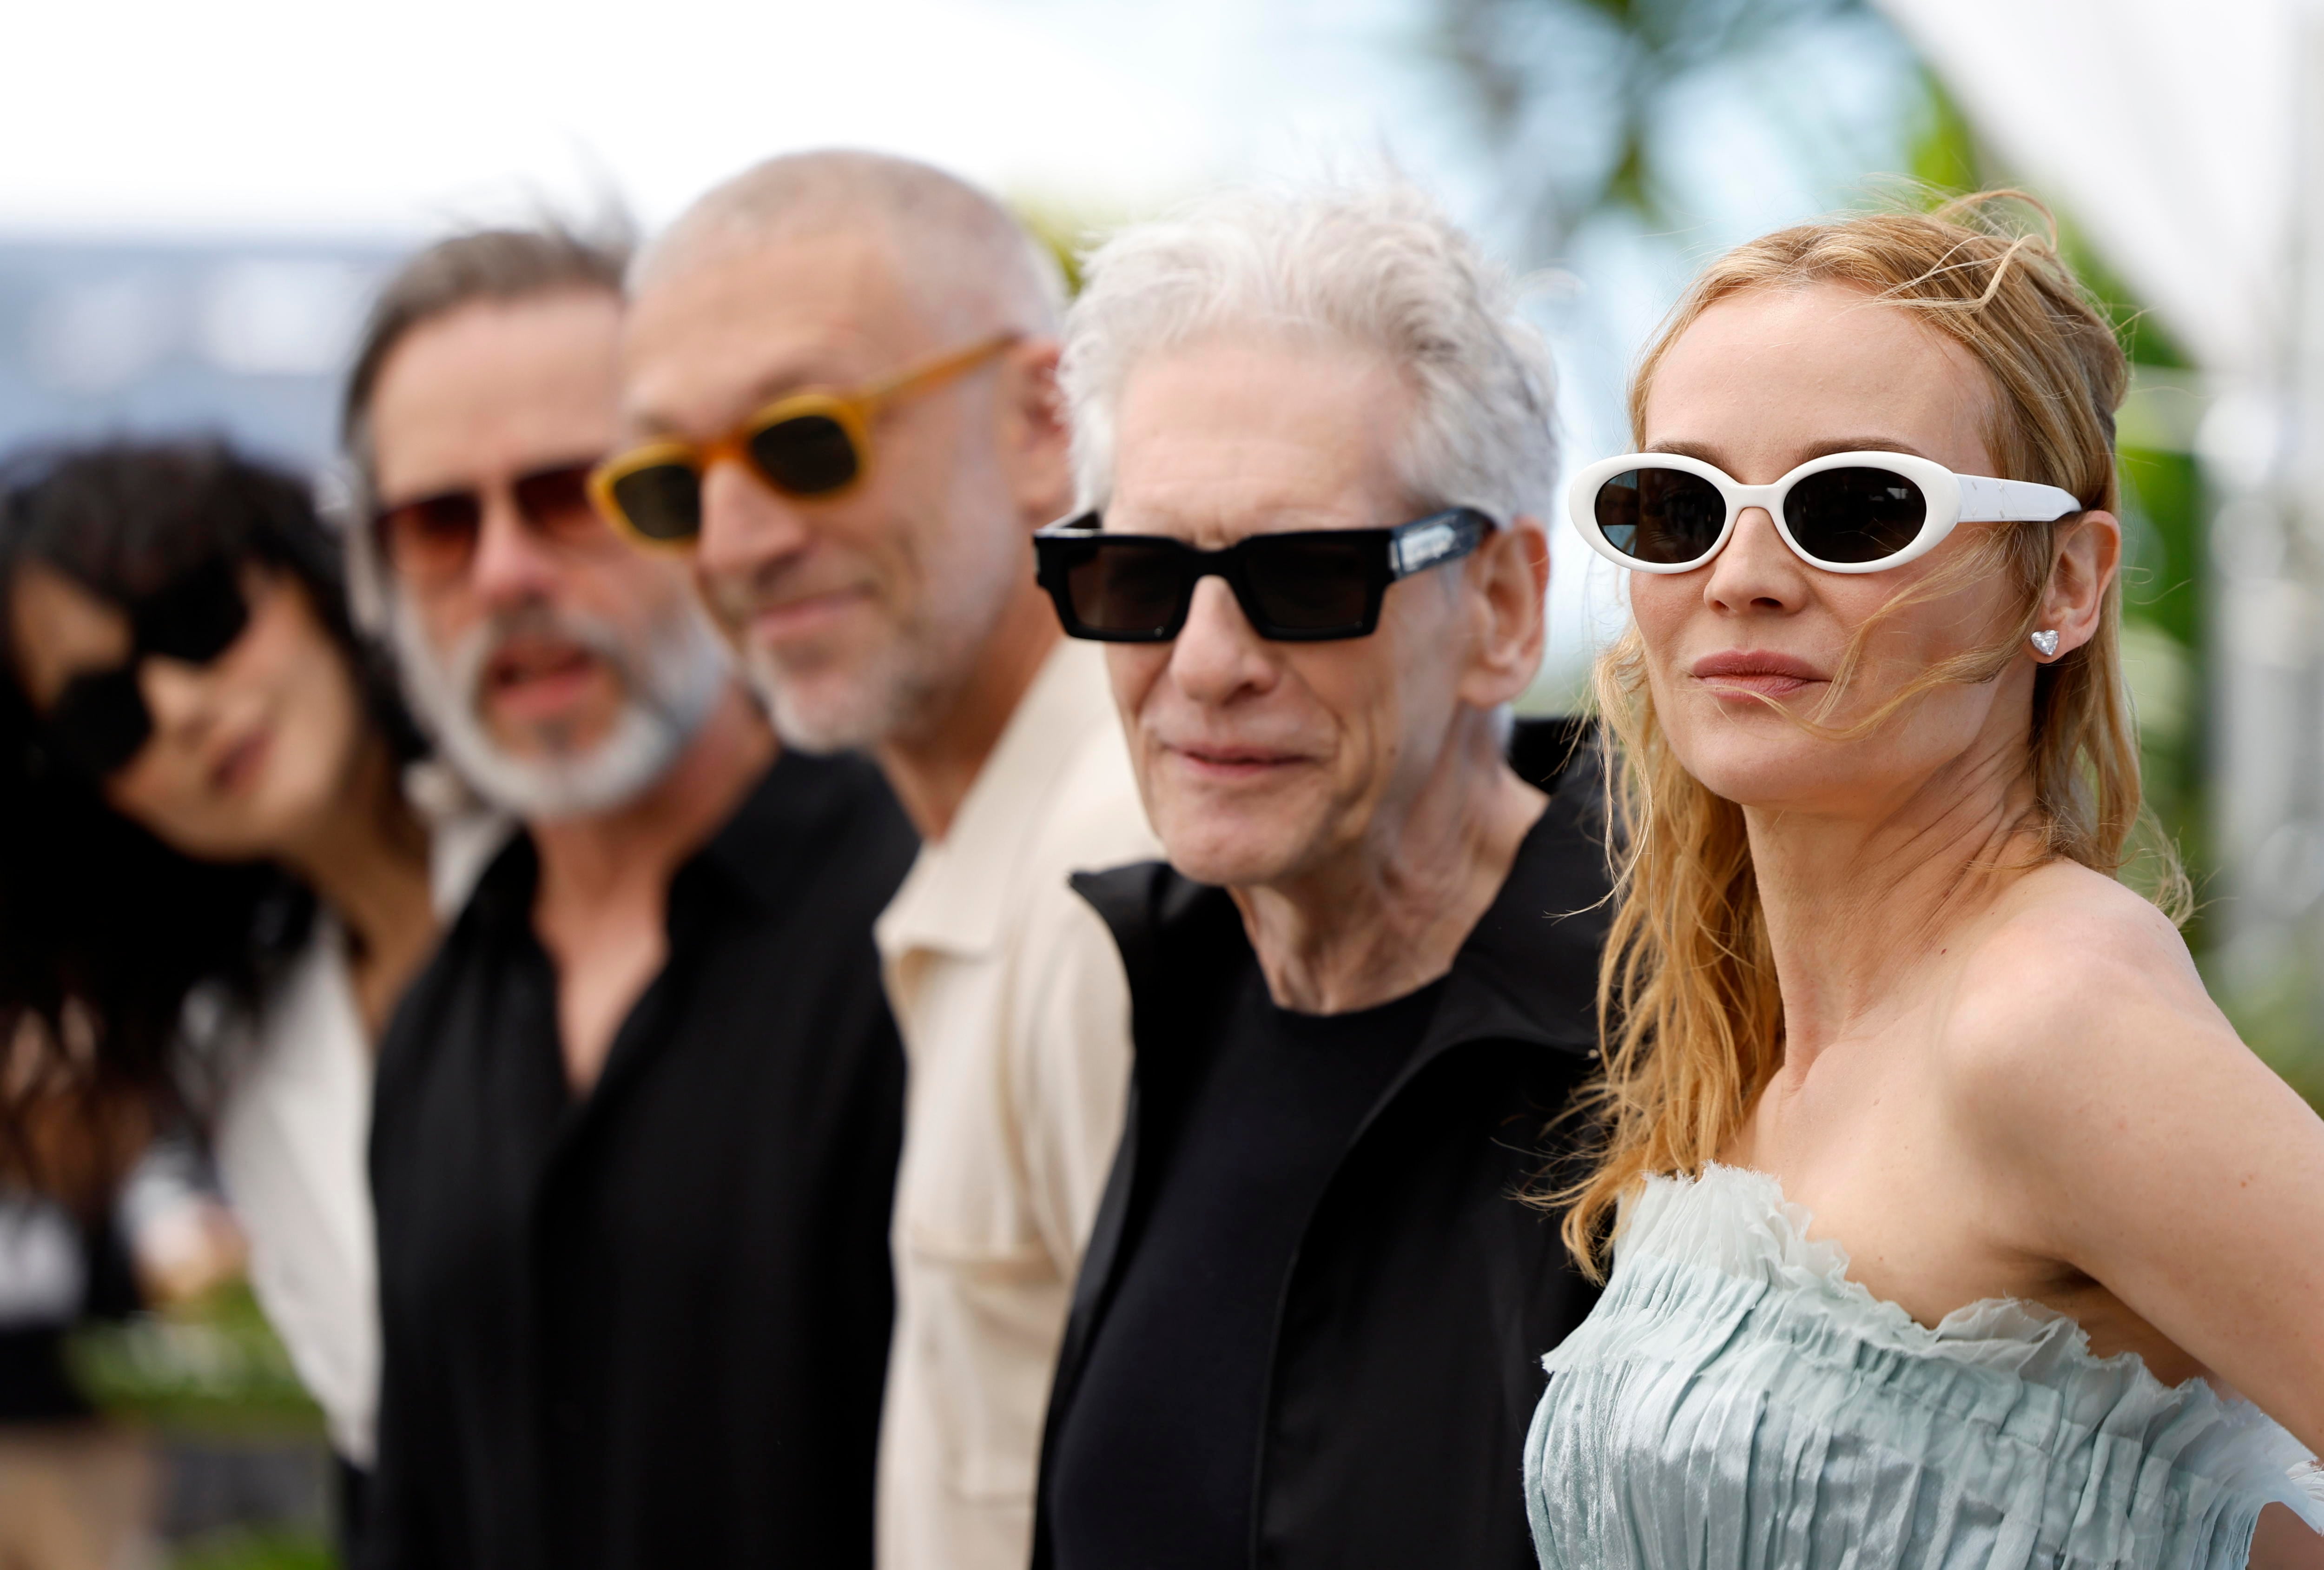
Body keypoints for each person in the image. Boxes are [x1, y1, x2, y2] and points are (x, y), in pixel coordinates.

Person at [1525, 198, 2324, 1569]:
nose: (1745, 576)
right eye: (1680, 505)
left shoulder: (2050, 1021)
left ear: (2064, 582)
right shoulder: (1752, 1052)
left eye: (1857, 509)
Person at [1025, 184, 1611, 1570]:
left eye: (1304, 577)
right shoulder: (1161, 978)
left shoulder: (1708, 1029)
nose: (1207, 660)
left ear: (1506, 609)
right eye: (1135, 574)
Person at [608, 151, 1156, 1570]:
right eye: (670, 484)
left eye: (806, 439)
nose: (736, 542)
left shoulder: (1126, 855)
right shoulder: (1005, 853)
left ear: (1046, 413)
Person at [348, 228, 915, 1570]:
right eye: (439, 521)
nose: (504, 574)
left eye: (570, 495)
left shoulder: (926, 923)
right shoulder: (440, 1022)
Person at [0, 439, 491, 1553]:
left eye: (196, 619)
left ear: (319, 577)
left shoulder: (613, 857)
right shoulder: (265, 1076)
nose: (179, 704)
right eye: (102, 718)